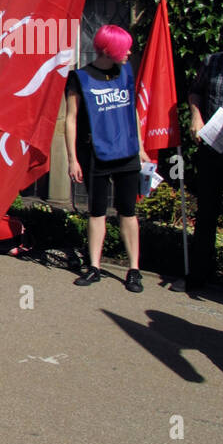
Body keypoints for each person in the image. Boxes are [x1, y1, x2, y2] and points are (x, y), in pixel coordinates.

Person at [65, 24, 148, 291]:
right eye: (125, 48)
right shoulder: (80, 77)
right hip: (95, 154)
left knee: (128, 211)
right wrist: (72, 158)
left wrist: (142, 146)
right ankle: (94, 267)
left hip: (126, 152)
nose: (129, 52)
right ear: (110, 49)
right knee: (97, 211)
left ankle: (134, 270)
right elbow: (71, 120)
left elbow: (132, 111)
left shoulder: (126, 72)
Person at [188, 48, 223, 293]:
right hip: (213, 147)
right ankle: (198, 276)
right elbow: (194, 92)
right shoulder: (213, 61)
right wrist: (196, 117)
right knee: (206, 215)